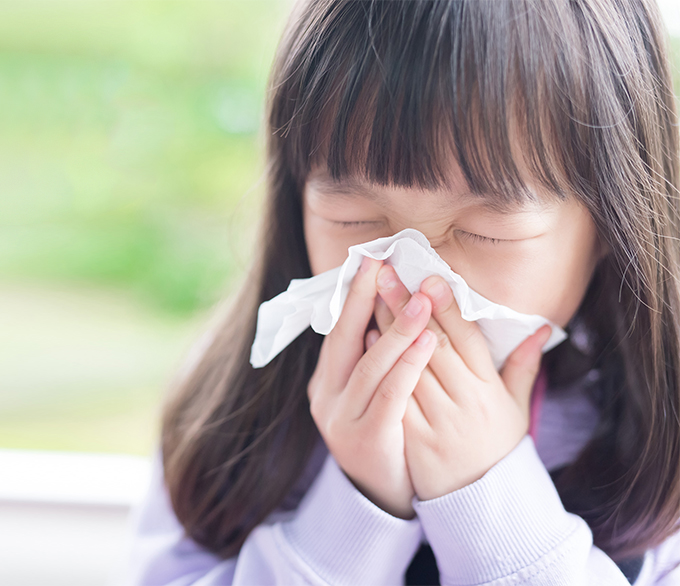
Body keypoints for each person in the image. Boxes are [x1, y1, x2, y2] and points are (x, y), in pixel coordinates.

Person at [117, 0, 680, 584]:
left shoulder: (661, 441)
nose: (417, 284)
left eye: (486, 231)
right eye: (354, 218)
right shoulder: (235, 413)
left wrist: (490, 503)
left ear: (617, 222)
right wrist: (354, 513)